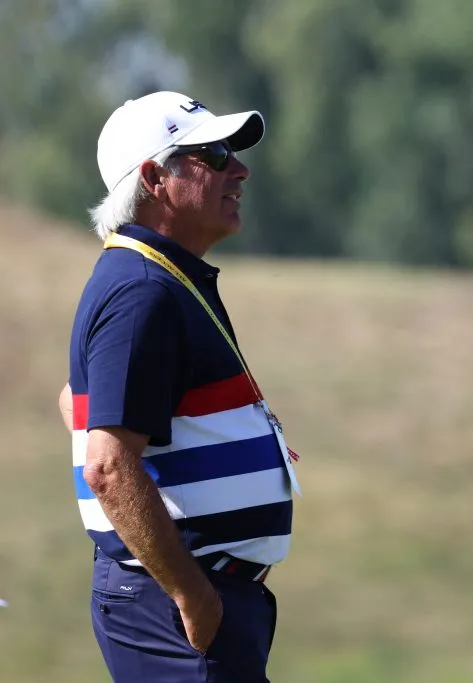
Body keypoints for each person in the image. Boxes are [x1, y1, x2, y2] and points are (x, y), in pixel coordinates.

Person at [59, 91, 300, 683]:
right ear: (153, 179)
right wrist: (192, 594)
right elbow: (108, 465)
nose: (239, 170)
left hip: (188, 599)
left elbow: (74, 401)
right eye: (213, 156)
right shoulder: (143, 290)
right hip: (172, 606)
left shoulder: (157, 278)